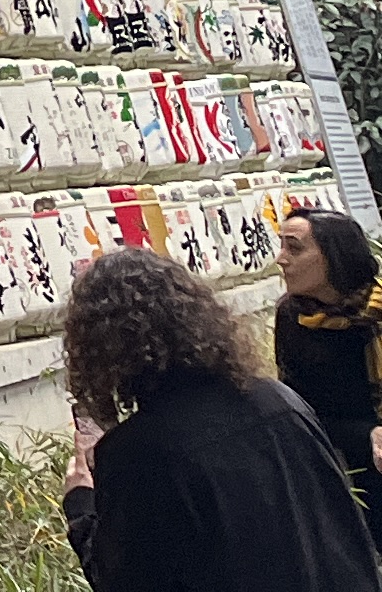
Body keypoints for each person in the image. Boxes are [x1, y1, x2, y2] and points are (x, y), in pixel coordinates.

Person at [63, 243, 382, 592]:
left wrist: (81, 503)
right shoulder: (278, 400)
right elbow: (346, 532)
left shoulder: (136, 451)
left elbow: (126, 580)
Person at [278, 207, 382, 542]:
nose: (281, 259)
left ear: (335, 257)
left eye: (294, 248)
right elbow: (300, 411)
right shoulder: (293, 317)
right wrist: (367, 435)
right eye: (281, 246)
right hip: (350, 464)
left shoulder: (377, 310)